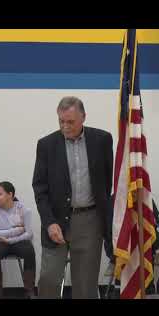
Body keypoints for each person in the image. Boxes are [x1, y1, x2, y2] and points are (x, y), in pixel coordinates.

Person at [32, 96, 113, 299]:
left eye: (71, 122)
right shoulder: (46, 145)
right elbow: (39, 188)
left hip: (90, 219)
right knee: (49, 278)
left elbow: (106, 181)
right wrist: (49, 222)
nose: (65, 127)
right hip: (56, 220)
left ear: (83, 117)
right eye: (61, 121)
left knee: (85, 284)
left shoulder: (102, 140)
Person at [0, 181, 36, 299]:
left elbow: (29, 234)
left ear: (10, 195)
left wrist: (11, 240)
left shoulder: (24, 210)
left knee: (29, 250)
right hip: (0, 243)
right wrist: (16, 230)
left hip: (18, 242)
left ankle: (29, 290)